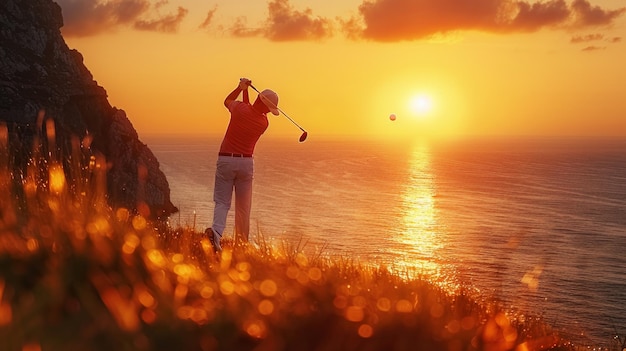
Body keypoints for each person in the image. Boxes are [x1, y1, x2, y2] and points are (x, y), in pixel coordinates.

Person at [205, 77, 279, 252]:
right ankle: (242, 244)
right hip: (246, 163)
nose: (268, 112)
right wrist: (245, 90)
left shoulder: (239, 110)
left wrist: (240, 87)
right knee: (243, 206)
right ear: (265, 107)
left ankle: (216, 234)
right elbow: (250, 110)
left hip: (226, 160)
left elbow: (228, 101)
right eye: (268, 109)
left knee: (222, 202)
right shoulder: (263, 123)